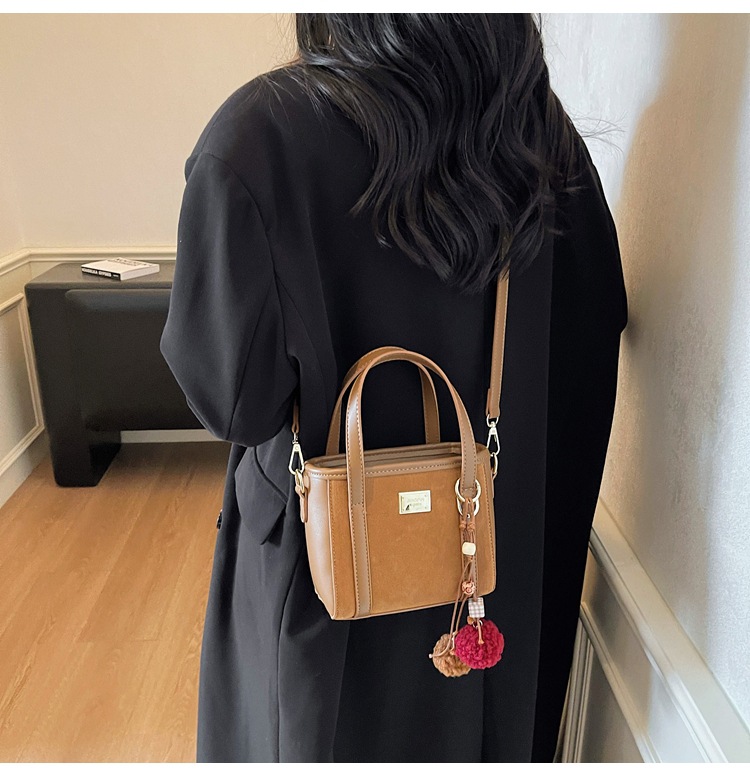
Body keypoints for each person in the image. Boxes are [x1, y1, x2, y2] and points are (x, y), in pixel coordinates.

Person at [160, 13, 628, 763]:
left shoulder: (260, 138)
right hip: (491, 578)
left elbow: (232, 401)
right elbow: (589, 335)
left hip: (324, 576)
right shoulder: (540, 138)